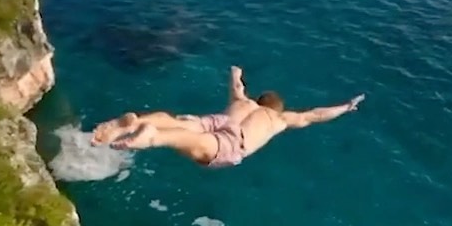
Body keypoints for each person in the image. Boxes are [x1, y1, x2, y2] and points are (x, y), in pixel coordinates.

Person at [92, 66, 365, 169]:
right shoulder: (279, 120)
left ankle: (139, 121)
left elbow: (236, 85)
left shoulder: (242, 101)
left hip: (218, 120)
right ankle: (151, 137)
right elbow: (314, 115)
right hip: (234, 141)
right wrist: (345, 107)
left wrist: (236, 73)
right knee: (189, 143)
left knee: (178, 122)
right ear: (277, 109)